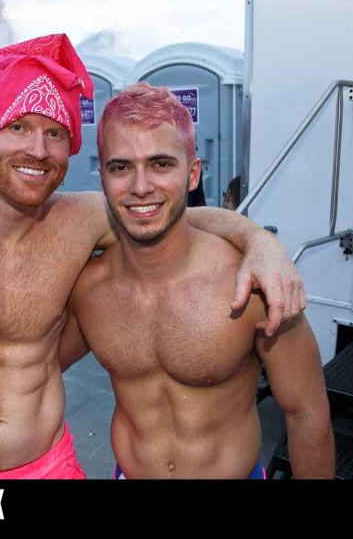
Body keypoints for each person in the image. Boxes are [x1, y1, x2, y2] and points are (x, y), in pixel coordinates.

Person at [0, 34, 305, 480]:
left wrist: (261, 243)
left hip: (52, 463)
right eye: (17, 127)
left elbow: (174, 215)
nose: (37, 150)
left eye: (55, 133)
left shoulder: (80, 219)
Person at [59, 83, 334, 479]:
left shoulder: (251, 286)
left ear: (192, 174)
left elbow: (306, 412)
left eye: (161, 164)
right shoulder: (89, 291)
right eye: (120, 167)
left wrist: (259, 239)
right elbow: (29, 369)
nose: (141, 187)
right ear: (102, 176)